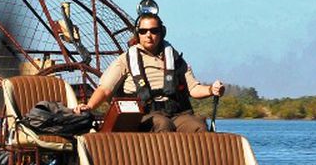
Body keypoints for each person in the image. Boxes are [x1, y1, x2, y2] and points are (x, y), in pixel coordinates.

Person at [74, 10, 224, 132]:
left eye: (153, 31)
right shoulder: (126, 59)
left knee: (199, 127)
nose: (148, 35)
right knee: (163, 125)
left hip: (177, 113)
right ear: (137, 34)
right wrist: (89, 106)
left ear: (161, 32)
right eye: (143, 31)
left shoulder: (175, 58)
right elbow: (105, 89)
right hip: (145, 114)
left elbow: (194, 88)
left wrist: (212, 89)